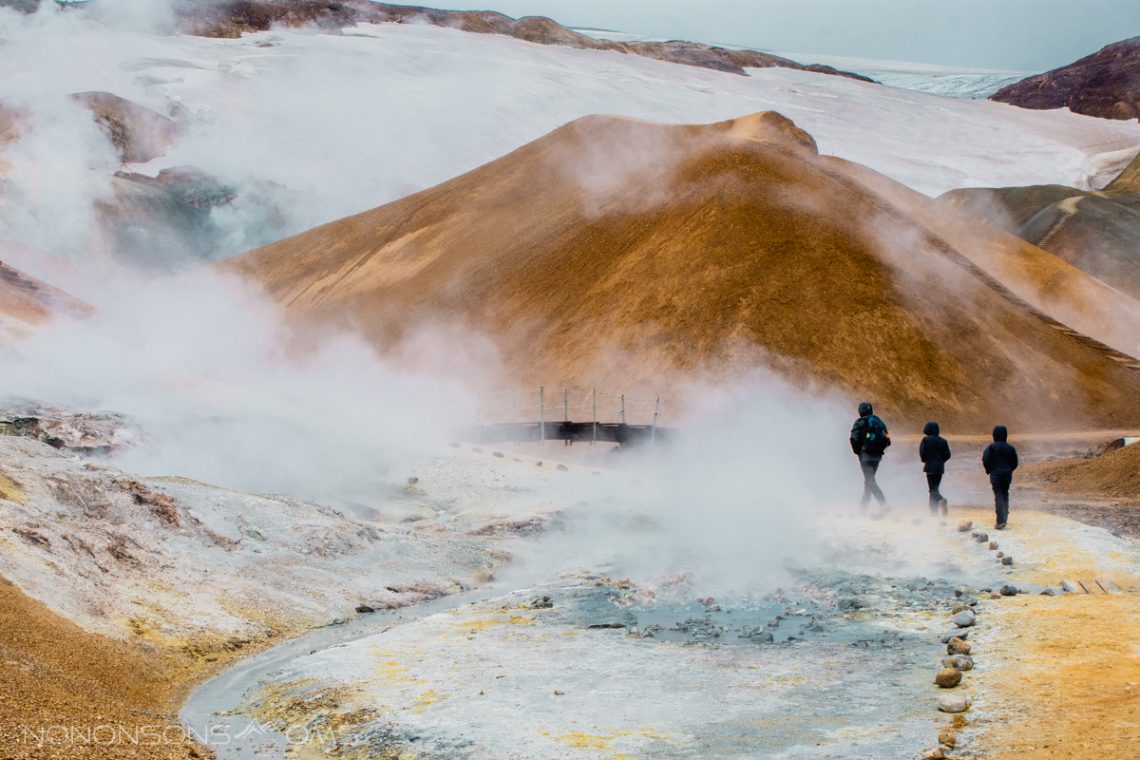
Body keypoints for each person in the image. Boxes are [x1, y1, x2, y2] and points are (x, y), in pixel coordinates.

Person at [850, 401, 890, 508]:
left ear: (860, 411)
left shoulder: (859, 422)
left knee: (870, 480)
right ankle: (864, 506)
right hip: (877, 456)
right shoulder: (878, 421)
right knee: (869, 480)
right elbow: (887, 439)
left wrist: (858, 452)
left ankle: (883, 504)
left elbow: (853, 438)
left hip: (865, 457)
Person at [982, 425, 1018, 529]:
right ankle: (1005, 517)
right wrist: (1009, 470)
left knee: (998, 496)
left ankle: (1000, 521)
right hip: (1007, 475)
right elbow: (1015, 462)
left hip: (996, 475)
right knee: (1005, 494)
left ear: (994, 435)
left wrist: (989, 470)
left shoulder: (991, 447)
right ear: (1006, 435)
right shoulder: (1010, 448)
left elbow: (985, 460)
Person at [919, 421, 951, 514]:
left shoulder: (926, 440)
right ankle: (934, 512)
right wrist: (941, 461)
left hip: (930, 467)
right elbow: (948, 455)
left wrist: (925, 460)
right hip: (940, 468)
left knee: (932, 490)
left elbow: (922, 453)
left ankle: (941, 500)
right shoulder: (943, 441)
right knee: (935, 488)